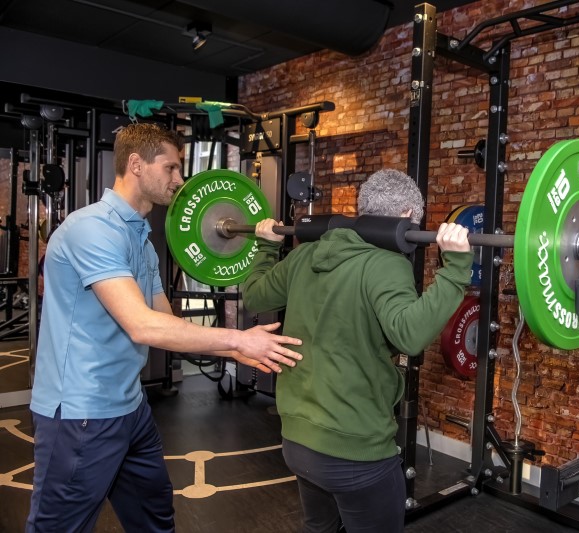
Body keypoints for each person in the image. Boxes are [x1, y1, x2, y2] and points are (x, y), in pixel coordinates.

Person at [26, 123, 304, 532]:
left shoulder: (139, 236)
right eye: (171, 168)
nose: (179, 179)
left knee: (155, 517)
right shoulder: (92, 229)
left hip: (129, 406)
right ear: (136, 164)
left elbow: (166, 322)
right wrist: (237, 337)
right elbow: (141, 326)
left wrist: (240, 351)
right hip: (81, 414)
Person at [242, 168, 473, 533]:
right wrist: (456, 266)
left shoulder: (306, 255)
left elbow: (253, 295)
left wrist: (266, 246)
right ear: (406, 218)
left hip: (298, 442)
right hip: (355, 454)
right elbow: (411, 337)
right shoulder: (386, 265)